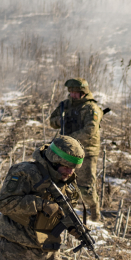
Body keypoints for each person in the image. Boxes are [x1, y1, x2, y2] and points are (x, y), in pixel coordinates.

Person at [49, 78, 103, 216]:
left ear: (83, 92)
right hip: (67, 152)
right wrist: (59, 121)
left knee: (85, 187)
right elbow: (51, 121)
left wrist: (70, 139)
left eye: (75, 92)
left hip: (87, 150)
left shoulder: (91, 108)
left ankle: (94, 213)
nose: (72, 95)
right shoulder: (65, 105)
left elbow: (90, 130)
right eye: (71, 92)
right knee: (63, 181)